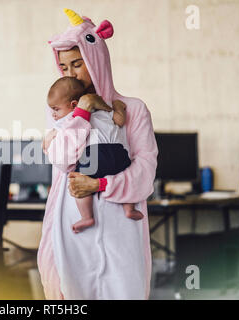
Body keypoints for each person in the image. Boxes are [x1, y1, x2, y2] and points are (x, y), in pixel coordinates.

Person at [37, 9, 158, 300]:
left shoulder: (133, 109)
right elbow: (63, 159)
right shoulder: (61, 111)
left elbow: (145, 169)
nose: (71, 73)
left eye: (78, 64)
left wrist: (101, 185)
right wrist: (82, 110)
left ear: (97, 60)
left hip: (121, 221)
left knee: (123, 290)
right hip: (73, 221)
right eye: (64, 67)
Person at [44, 76, 143, 234]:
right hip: (119, 153)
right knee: (125, 177)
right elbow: (119, 120)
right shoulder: (103, 111)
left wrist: (50, 139)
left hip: (94, 155)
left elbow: (62, 153)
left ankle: (87, 216)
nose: (53, 115)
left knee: (80, 185)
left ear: (74, 105)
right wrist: (118, 108)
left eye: (56, 109)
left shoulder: (69, 119)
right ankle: (129, 208)